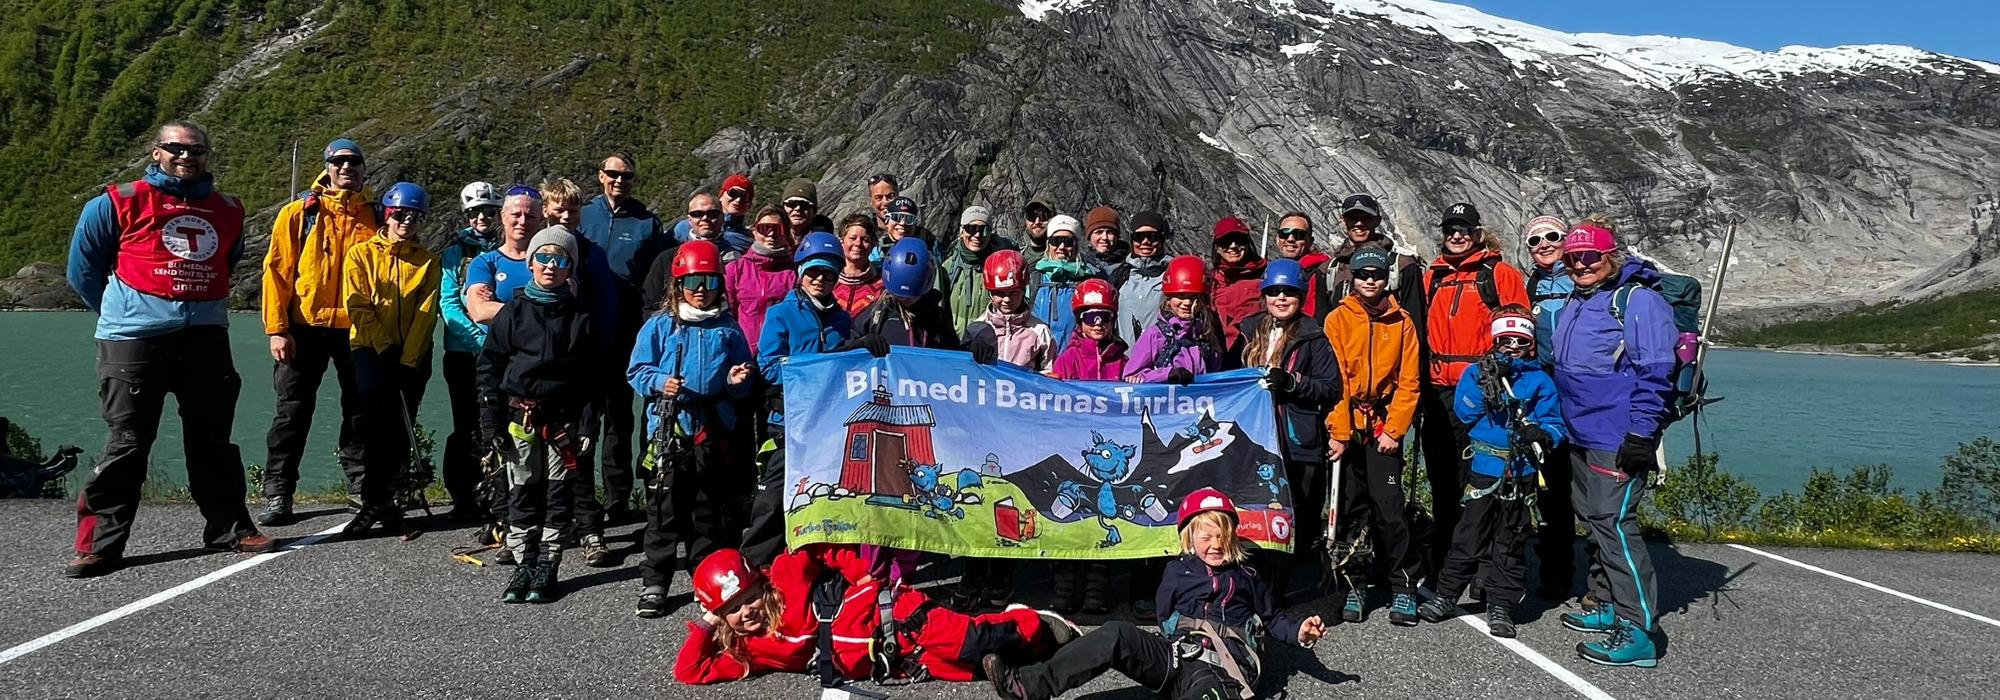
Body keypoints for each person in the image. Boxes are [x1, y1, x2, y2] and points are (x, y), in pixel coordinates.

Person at [62, 120, 272, 577]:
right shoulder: (117, 202)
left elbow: (225, 261)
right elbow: (83, 271)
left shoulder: (228, 210)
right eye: (174, 148)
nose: (186, 156)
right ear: (156, 152)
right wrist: (125, 313)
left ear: (207, 156)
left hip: (205, 337)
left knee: (213, 440)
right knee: (128, 442)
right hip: (133, 342)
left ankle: (230, 528)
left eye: (196, 150)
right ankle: (99, 543)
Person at [982, 488, 1326, 700]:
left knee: (1205, 691)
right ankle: (1028, 685)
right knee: (1117, 633)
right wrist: (1175, 643)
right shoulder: (1178, 570)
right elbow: (1164, 613)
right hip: (1176, 656)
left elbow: (1273, 618)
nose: (1215, 544)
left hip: (1221, 671)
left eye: (1222, 536)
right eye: (1205, 537)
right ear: (1189, 539)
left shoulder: (1248, 575)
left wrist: (1300, 632)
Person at [1549, 219, 1673, 668]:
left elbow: (1656, 370)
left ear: (1611, 256)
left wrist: (1641, 434)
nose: (1581, 264)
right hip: (1581, 432)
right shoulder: (1581, 298)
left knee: (1615, 523)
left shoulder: (1638, 301)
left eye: (1590, 256)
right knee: (1595, 518)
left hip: (1616, 435)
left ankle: (1638, 629)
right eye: (1573, 258)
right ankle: (1604, 603)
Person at [675, 547, 1074, 685]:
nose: (747, 611)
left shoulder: (784, 575)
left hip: (893, 615)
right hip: (891, 660)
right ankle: (1041, 648)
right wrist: (710, 621)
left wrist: (862, 577)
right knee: (977, 668)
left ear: (760, 586)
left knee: (972, 642)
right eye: (733, 609)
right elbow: (689, 671)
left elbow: (819, 546)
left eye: (749, 598)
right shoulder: (751, 651)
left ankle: (1033, 623)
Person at [1419, 307, 1566, 638]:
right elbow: (1464, 411)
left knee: (1510, 540)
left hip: (1522, 471)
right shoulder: (1477, 373)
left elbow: (1555, 423)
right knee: (1468, 535)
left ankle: (1501, 603)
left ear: (1529, 343)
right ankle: (1446, 594)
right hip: (1486, 469)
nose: (1512, 347)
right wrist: (1488, 388)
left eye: (1519, 341)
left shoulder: (1539, 380)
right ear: (1496, 340)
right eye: (1505, 340)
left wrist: (1543, 434)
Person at [628, 240, 756, 618]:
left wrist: (737, 380)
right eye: (694, 281)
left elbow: (744, 380)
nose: (702, 290)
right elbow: (636, 371)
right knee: (665, 509)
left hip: (712, 430)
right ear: (678, 285)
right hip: (671, 430)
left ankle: (704, 577)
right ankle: (656, 582)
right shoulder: (661, 326)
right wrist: (660, 381)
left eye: (710, 282)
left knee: (707, 509)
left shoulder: (728, 330)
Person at [257, 137, 379, 525]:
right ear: (327, 167)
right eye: (339, 162)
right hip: (303, 327)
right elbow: (276, 273)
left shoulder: (375, 215)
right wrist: (277, 329)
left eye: (353, 161)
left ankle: (360, 488)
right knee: (291, 413)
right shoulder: (299, 213)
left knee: (359, 412)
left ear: (363, 168)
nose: (346, 168)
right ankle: (278, 492)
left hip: (356, 330)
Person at [479, 226, 602, 604]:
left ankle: (549, 562)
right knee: (522, 490)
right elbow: (490, 368)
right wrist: (491, 423)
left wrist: (587, 424)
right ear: (530, 263)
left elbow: (591, 377)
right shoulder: (512, 313)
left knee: (558, 491)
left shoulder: (581, 317)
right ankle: (524, 561)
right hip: (521, 419)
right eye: (544, 258)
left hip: (562, 420)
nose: (551, 266)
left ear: (570, 268)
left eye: (560, 259)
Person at [1417, 202, 1530, 579]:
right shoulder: (1432, 276)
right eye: (1450, 228)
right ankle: (1447, 559)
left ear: (1478, 232)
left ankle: (1484, 566)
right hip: (1438, 392)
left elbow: (1519, 333)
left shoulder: (1499, 274)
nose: (1457, 234)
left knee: (1482, 480)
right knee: (1443, 479)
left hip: (1485, 392)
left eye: (1464, 228)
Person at [1228, 258, 1341, 606]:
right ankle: (1248, 590)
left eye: (1288, 292)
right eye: (1274, 291)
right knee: (1251, 515)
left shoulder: (1314, 337)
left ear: (1301, 296)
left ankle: (1276, 594)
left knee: (1291, 520)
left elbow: (1330, 387)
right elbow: (1227, 380)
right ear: (1264, 294)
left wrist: (1293, 382)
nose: (1280, 298)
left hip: (1296, 442)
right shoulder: (1247, 331)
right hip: (1254, 442)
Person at [1322, 248, 1425, 626]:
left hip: (1383, 427)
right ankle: (1356, 581)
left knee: (1390, 508)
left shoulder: (1403, 323)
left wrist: (1395, 430)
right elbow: (1337, 382)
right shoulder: (1337, 320)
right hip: (1349, 427)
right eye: (1363, 273)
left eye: (1377, 274)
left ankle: (1403, 585)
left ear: (1387, 279)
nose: (1370, 280)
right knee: (1352, 507)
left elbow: (1410, 381)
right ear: (1353, 277)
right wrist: (1340, 432)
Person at [740, 232, 853, 565]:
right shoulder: (781, 314)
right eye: (814, 271)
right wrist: (822, 366)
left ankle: (810, 564)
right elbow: (770, 366)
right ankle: (754, 563)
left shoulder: (842, 319)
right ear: (800, 272)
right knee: (774, 496)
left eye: (829, 273)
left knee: (820, 496)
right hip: (788, 422)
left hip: (828, 423)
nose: (820, 279)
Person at [340, 182, 442, 537]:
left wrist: (408, 359)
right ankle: (372, 500)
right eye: (400, 214)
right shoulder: (360, 254)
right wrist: (384, 348)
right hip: (370, 350)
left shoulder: (428, 261)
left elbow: (427, 313)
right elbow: (357, 304)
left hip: (411, 355)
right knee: (373, 425)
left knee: (402, 424)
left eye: (415, 216)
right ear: (387, 213)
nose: (407, 221)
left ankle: (393, 500)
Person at [545, 178, 626, 561]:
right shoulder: (537, 256)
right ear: (546, 210)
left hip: (585, 367)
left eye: (572, 211)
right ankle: (543, 526)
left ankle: (589, 528)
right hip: (543, 370)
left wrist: (602, 360)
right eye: (558, 209)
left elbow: (608, 314)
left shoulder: (593, 255)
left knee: (580, 447)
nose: (565, 216)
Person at [436, 181, 504, 521]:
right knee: (465, 425)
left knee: (498, 423)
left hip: (502, 353)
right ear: (467, 214)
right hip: (463, 353)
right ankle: (462, 496)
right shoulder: (453, 254)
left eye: (489, 211)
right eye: (476, 212)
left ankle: (496, 493)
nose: (483, 217)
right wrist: (480, 336)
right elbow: (448, 304)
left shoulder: (507, 249)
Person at [1520, 214, 1578, 602]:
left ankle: (1602, 580)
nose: (1543, 244)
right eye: (1534, 240)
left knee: (1590, 488)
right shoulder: (1531, 285)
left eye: (1552, 236)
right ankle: (1555, 573)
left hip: (1586, 391)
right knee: (1552, 489)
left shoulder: (1583, 277)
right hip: (1547, 393)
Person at [1325, 194, 1426, 324]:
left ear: (1377, 221)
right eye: (1352, 218)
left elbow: (1415, 319)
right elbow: (1321, 322)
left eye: (1366, 218)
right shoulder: (1329, 270)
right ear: (1344, 221)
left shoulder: (1402, 266)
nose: (1359, 223)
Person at [1124, 255, 1218, 385]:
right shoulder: (1154, 335)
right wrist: (1167, 375)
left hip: (1199, 401)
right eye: (1180, 296)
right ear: (1168, 299)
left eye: (1193, 297)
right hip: (1165, 402)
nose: (1187, 303)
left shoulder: (1205, 335)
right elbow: (1131, 376)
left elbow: (1216, 374)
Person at [853, 237, 960, 351]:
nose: (905, 300)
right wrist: (860, 344)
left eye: (912, 296)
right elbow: (846, 353)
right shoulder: (875, 316)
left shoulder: (937, 319)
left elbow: (953, 355)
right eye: (899, 296)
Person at [964, 250, 1055, 374]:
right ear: (990, 293)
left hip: (1023, 392)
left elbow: (1049, 374)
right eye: (1000, 294)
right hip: (987, 391)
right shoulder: (977, 329)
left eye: (1014, 292)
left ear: (1023, 291)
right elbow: (964, 371)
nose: (1007, 300)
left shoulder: (1040, 331)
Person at [724, 205, 797, 356]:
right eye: (764, 228)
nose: (771, 235)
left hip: (781, 354)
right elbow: (727, 315)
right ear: (755, 231)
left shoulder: (794, 273)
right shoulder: (736, 269)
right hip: (744, 355)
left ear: (786, 233)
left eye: (778, 229)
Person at [1027, 215, 1093, 356]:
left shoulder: (1087, 281)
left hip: (1074, 361)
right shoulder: (1033, 277)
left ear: (1076, 245)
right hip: (1038, 361)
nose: (1061, 247)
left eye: (1068, 242)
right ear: (1048, 244)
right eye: (1056, 241)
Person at [941, 205, 1012, 336]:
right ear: (962, 232)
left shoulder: (1000, 269)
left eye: (983, 230)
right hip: (952, 346)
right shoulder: (948, 267)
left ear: (990, 233)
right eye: (971, 229)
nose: (977, 235)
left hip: (987, 346)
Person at [1207, 216, 1268, 350]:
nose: (1233, 246)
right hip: (1219, 352)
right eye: (1226, 241)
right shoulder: (1210, 280)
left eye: (1239, 240)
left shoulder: (1266, 275)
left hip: (1254, 351)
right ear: (1216, 247)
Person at [1050, 279, 1128, 381]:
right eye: (1091, 317)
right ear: (1080, 320)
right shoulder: (1067, 360)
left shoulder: (1122, 361)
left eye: (1104, 316)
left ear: (1112, 320)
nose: (1098, 323)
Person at [1115, 211, 1170, 343]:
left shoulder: (1171, 273)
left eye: (1152, 236)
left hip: (1161, 359)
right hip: (1126, 359)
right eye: (1139, 237)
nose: (1145, 242)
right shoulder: (1121, 274)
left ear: (1161, 239)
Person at [1273, 211, 1334, 319]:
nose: (1290, 239)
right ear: (1277, 239)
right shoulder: (1271, 272)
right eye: (1284, 234)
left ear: (1310, 241)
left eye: (1298, 234)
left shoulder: (1320, 272)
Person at [832, 215, 885, 317]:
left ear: (873, 244)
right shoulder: (829, 282)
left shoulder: (882, 287)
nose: (858, 243)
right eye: (852, 238)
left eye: (865, 240)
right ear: (842, 241)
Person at [1079, 205, 1130, 285]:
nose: (1104, 237)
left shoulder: (1129, 265)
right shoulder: (1081, 267)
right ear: (1089, 236)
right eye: (1099, 232)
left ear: (1117, 236)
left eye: (1109, 232)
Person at [1018, 195, 1055, 267]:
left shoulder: (1061, 256)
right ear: (1025, 221)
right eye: (1031, 216)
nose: (1037, 222)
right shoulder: (1017, 257)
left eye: (1043, 216)